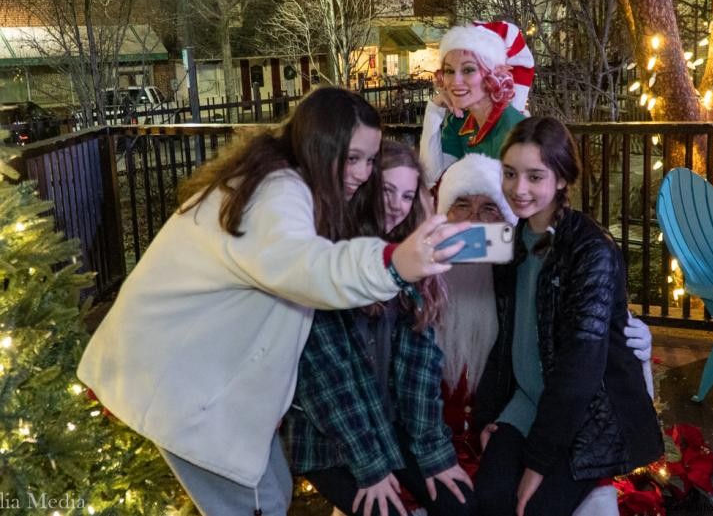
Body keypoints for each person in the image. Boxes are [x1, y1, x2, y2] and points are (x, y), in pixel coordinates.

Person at [76, 88, 469, 516]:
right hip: (192, 390)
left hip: (204, 383)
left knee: (272, 496)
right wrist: (392, 264)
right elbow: (307, 268)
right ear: (321, 146)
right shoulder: (277, 194)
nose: (363, 173)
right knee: (259, 505)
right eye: (352, 158)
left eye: (370, 160)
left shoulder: (280, 182)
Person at [434, 153, 655, 516]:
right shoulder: (430, 274)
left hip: (555, 420)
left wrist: (634, 340)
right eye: (461, 205)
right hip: (474, 433)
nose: (474, 219)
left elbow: (585, 331)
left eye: (489, 208)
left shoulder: (518, 258)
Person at [284, 140, 474, 516]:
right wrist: (371, 466)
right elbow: (328, 383)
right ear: (365, 189)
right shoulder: (328, 258)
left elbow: (421, 369)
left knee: (460, 506)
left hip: (392, 422)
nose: (396, 205)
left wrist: (434, 453)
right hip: (330, 436)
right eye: (386, 191)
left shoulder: (410, 256)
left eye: (406, 195)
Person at [419, 20, 534, 187]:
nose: (455, 81)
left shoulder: (512, 126)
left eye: (468, 70)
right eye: (449, 71)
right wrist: (434, 111)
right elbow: (433, 177)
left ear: (494, 76)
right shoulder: (460, 120)